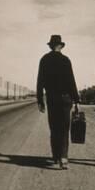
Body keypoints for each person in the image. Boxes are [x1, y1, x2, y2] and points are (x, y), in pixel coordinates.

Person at [36, 35, 80, 169]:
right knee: (64, 128)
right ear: (60, 46)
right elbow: (71, 81)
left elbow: (40, 81)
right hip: (66, 98)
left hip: (52, 98)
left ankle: (55, 156)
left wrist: (40, 100)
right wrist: (76, 99)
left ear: (50, 46)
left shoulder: (44, 59)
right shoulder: (66, 60)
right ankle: (64, 157)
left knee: (54, 128)